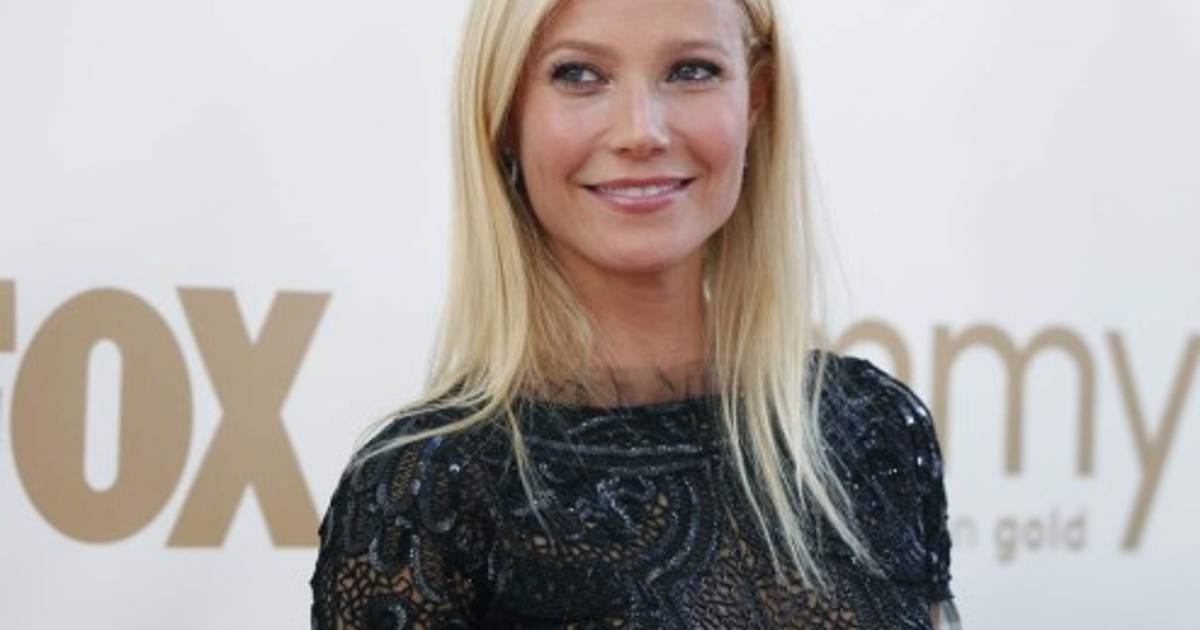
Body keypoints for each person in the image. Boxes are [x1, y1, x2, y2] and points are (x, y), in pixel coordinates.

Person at [309, 0, 962, 628]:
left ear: (755, 99)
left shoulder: (875, 429)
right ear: (505, 113)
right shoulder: (426, 493)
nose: (641, 131)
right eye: (578, 74)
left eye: (691, 70)